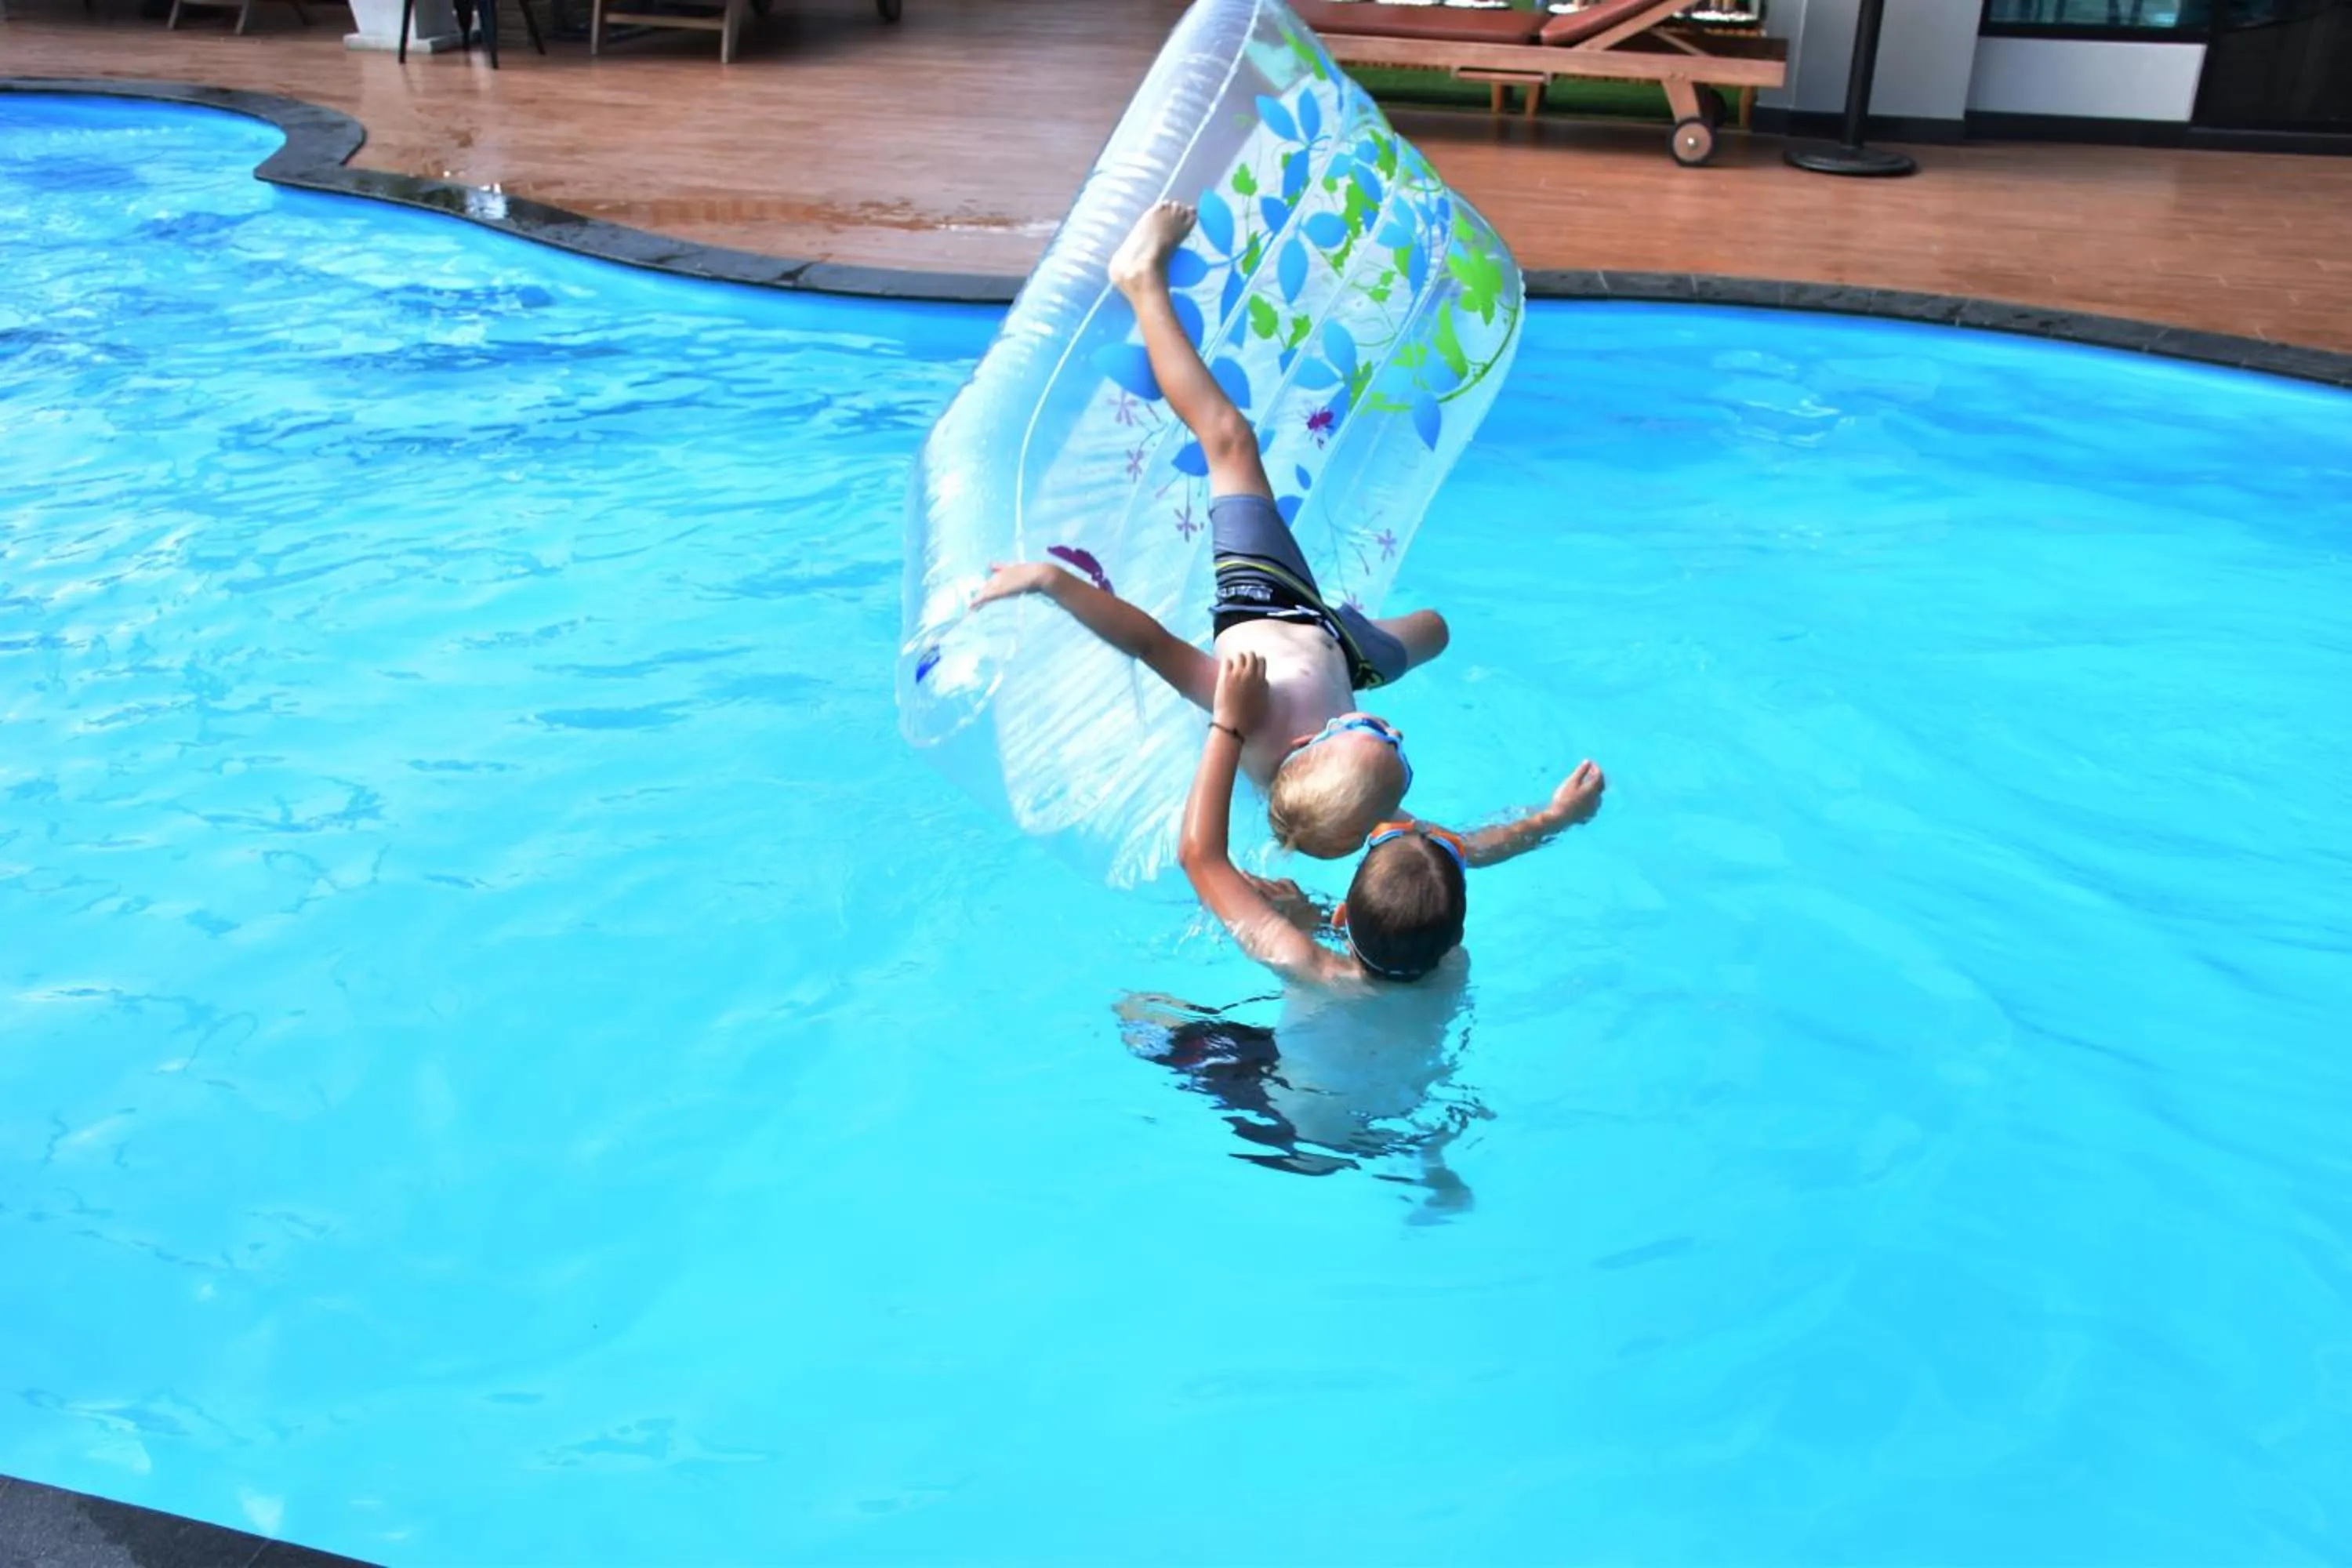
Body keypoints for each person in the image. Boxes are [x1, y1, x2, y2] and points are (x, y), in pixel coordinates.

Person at [972, 198, 1455, 860]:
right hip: (1344, 653)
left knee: (1229, 440)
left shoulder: (1248, 711)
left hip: (1270, 601)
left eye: (1370, 731)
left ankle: (1139, 280)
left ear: (1299, 747)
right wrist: (1544, 821)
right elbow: (1459, 844)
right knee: (1437, 630)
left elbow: (1147, 643)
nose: (1388, 728)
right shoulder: (1348, 787)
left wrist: (1052, 581)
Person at [1179, 650, 1602, 991]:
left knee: (1143, 1020)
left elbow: (1201, 857)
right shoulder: (1452, 968)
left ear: (1345, 914)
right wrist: (1554, 817)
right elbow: (1389, 957)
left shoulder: (1304, 963)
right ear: (1455, 938)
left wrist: (1228, 724)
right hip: (1389, 1097)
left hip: (1289, 1095)